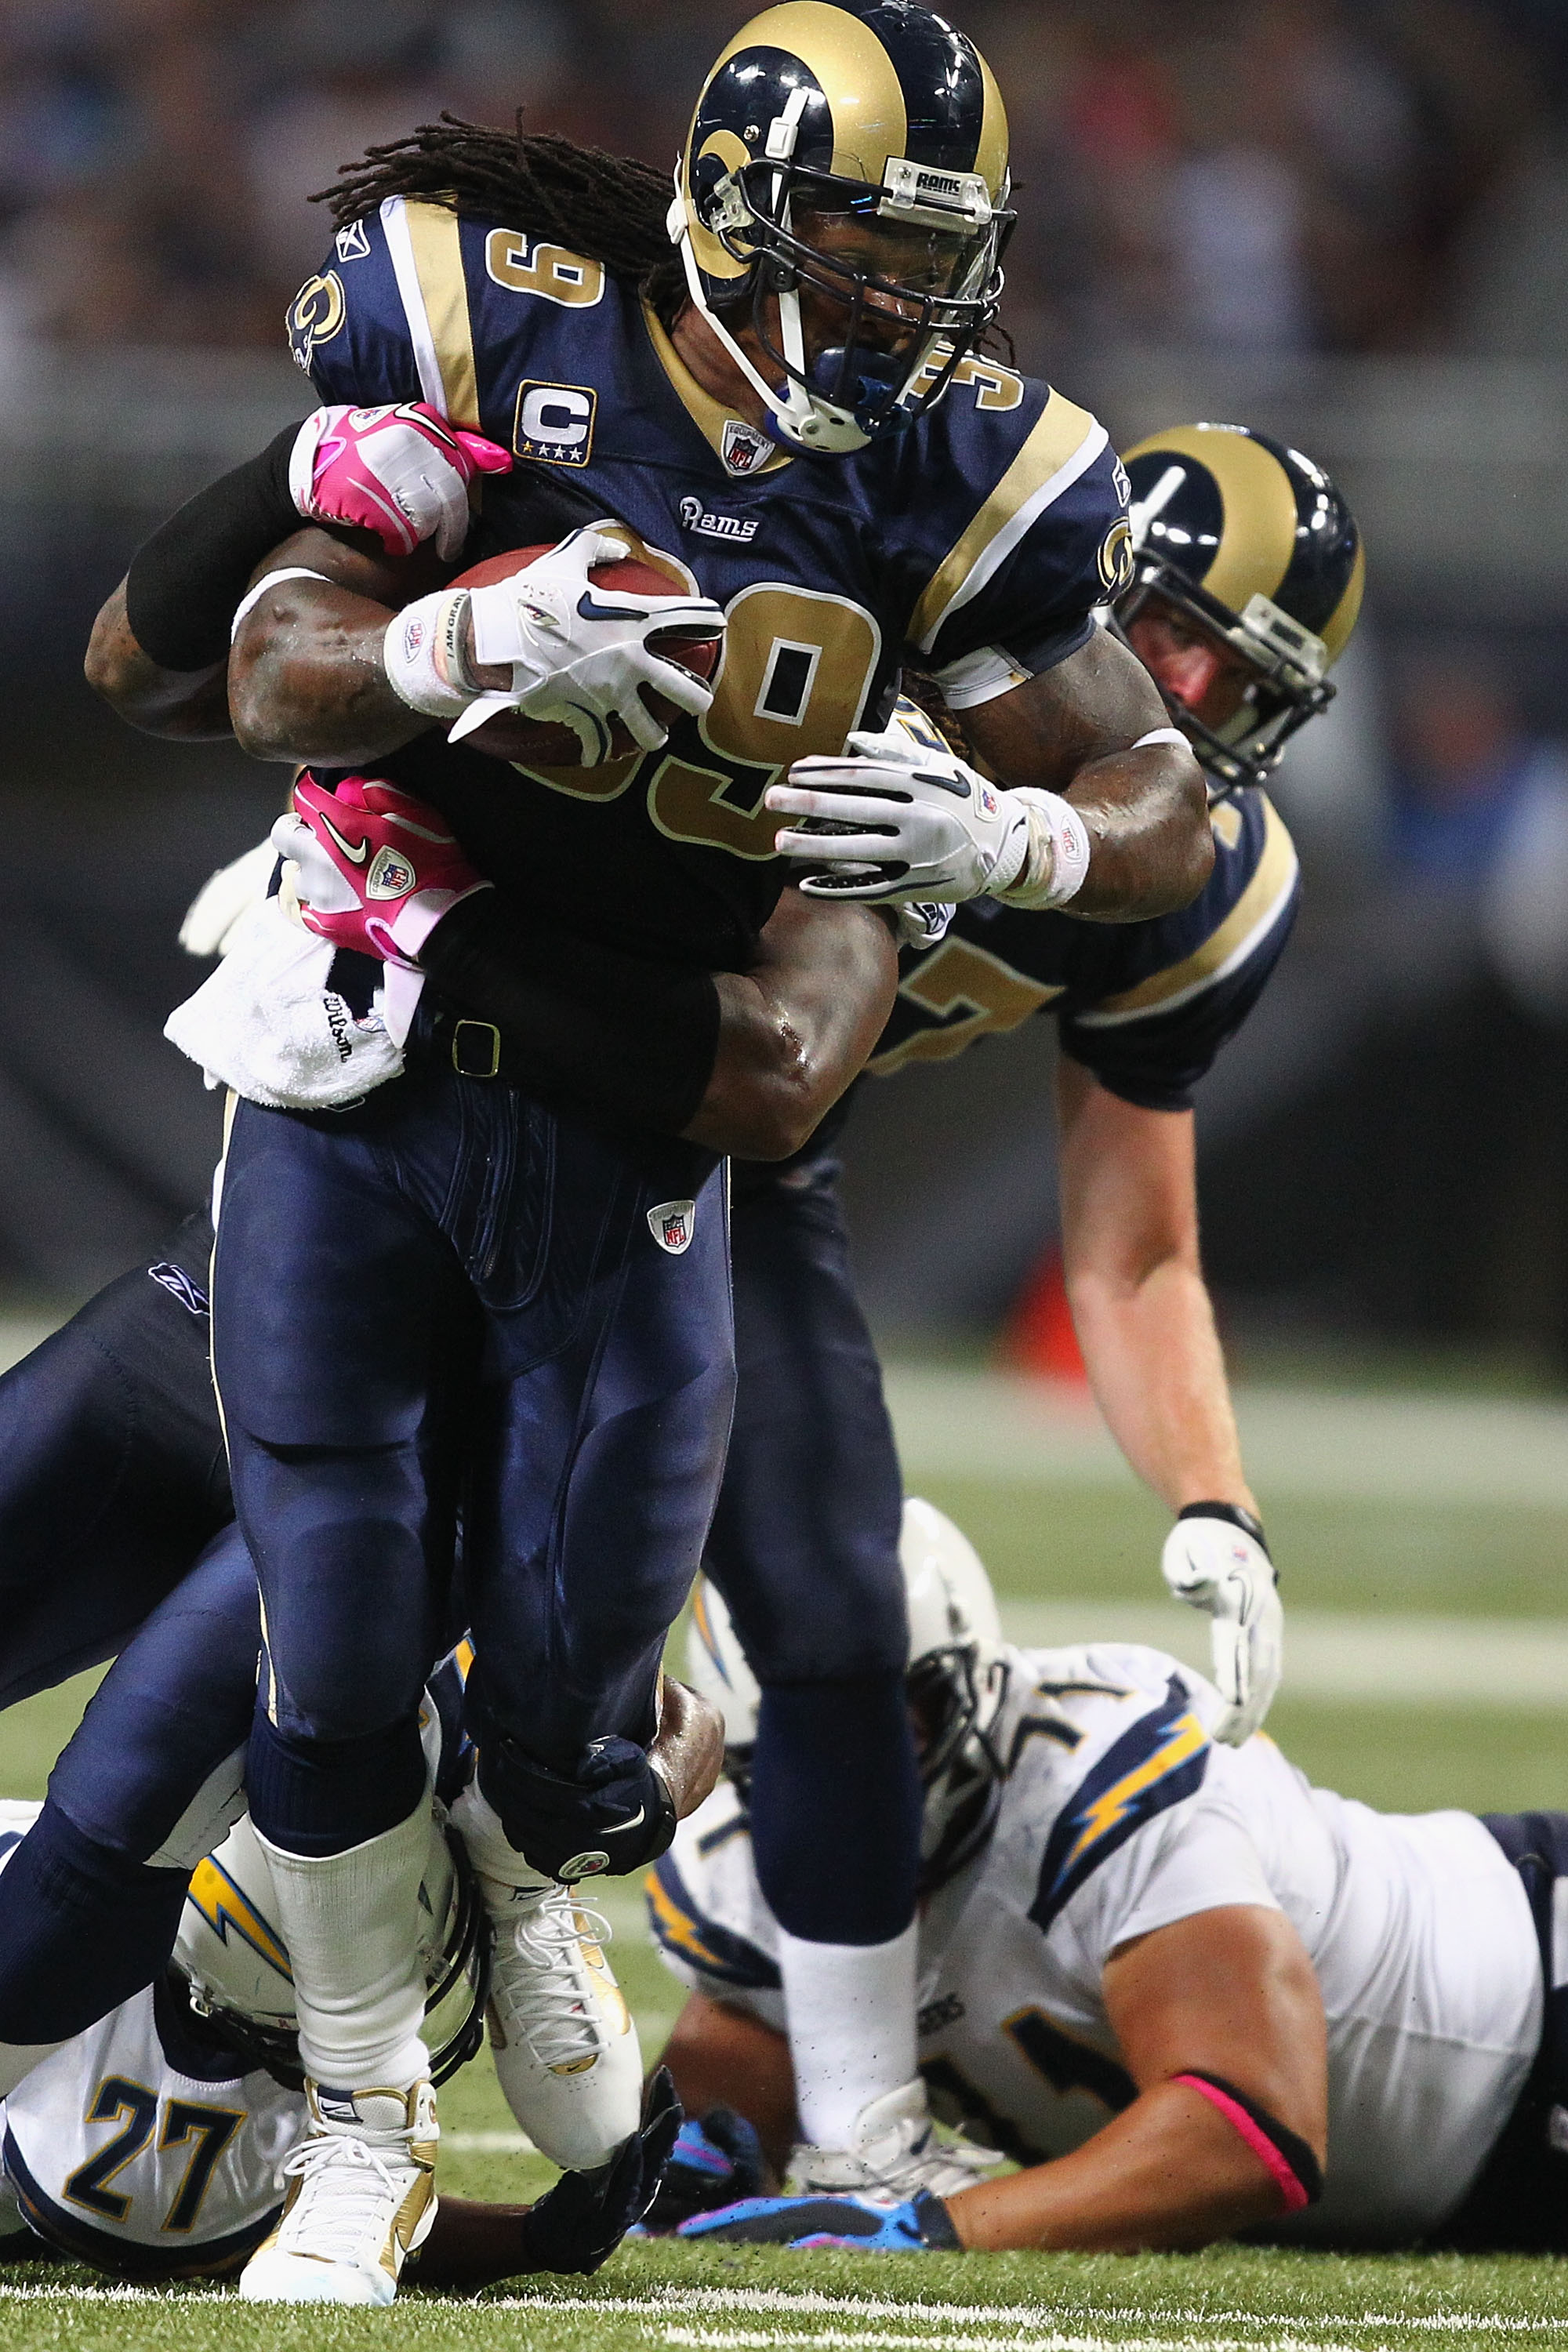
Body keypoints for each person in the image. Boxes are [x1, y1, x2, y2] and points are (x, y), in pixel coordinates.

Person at [80, 2, 1214, 2303]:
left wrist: (1006, 836)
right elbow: (238, 658)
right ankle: (366, 2123)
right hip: (366, 1049)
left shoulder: (947, 467)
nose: (912, 308)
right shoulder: (500, 338)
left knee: (575, 1738)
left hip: (635, 1129)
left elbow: (1158, 800)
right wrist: (464, 640)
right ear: (732, 211)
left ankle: (507, 1883)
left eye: (943, 259)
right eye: (870, 251)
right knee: (331, 1627)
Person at [646, 1501, 1561, 2259]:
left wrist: (930, 2229)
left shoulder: (1103, 1773)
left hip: (1540, 1999)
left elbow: (1250, 2135)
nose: (856, 1790)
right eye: (803, 1759)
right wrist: (668, 2169)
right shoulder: (740, 1865)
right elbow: (704, 2143)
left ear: (971, 1675)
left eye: (896, 1728)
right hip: (1451, 2196)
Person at [0, 1526, 702, 2288]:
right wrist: (532, 2241)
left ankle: (523, 1888)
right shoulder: (125, 2079)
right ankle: (522, 1884)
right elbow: (288, 2223)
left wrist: (644, 1789)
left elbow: (689, 1716)